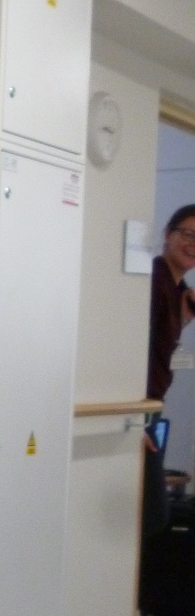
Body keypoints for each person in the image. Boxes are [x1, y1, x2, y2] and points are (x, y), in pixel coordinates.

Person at [143, 205, 195, 541]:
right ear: (167, 235)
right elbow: (131, 349)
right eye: (188, 234)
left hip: (151, 408)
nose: (193, 244)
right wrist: (134, 421)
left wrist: (184, 319)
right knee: (152, 514)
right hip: (140, 410)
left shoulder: (177, 289)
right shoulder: (153, 280)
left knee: (149, 514)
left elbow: (160, 347)